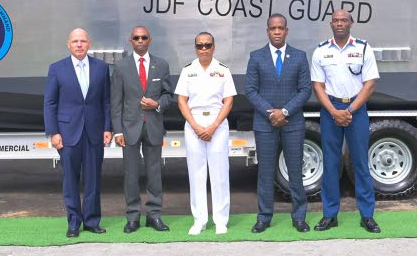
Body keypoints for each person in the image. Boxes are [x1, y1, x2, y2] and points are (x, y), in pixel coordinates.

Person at [310, 9, 381, 233]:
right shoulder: (321, 51)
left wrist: (348, 110)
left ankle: (367, 215)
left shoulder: (362, 48)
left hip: (356, 110)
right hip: (330, 110)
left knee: (360, 163)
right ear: (331, 24)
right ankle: (330, 215)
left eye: (344, 20)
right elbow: (318, 87)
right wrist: (334, 111)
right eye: (336, 21)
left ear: (351, 23)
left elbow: (369, 85)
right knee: (330, 164)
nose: (340, 23)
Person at [244, 14, 312, 233]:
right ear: (267, 31)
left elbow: (305, 90)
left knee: (295, 170)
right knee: (265, 172)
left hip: (292, 123)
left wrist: (284, 112)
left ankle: (299, 217)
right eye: (272, 28)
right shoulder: (256, 57)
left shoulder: (299, 57)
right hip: (265, 123)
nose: (276, 32)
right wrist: (270, 113)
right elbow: (251, 90)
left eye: (280, 28)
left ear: (286, 31)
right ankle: (264, 217)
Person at [43, 28, 112, 238]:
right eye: (75, 41)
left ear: (89, 43)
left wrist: (108, 128)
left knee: (93, 179)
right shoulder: (57, 68)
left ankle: (91, 221)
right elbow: (50, 102)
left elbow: (106, 102)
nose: (79, 45)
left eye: (83, 41)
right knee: (70, 180)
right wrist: (53, 132)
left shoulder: (101, 67)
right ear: (69, 44)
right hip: (67, 133)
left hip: (94, 132)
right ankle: (74, 222)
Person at [111, 25, 174, 233]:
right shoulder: (121, 67)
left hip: (153, 125)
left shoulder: (161, 65)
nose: (140, 40)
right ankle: (133, 216)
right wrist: (118, 131)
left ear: (149, 40)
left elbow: (168, 95)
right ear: (130, 41)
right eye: (136, 38)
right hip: (129, 128)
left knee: (154, 173)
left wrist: (156, 105)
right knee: (131, 174)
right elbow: (116, 103)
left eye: (143, 37)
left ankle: (154, 215)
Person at [174, 31, 235, 235]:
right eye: (200, 45)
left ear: (213, 47)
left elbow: (228, 101)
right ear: (195, 48)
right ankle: (199, 220)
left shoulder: (223, 70)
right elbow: (182, 100)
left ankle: (220, 220)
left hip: (217, 123)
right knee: (196, 174)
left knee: (219, 174)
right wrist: (196, 126)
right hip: (194, 123)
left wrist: (213, 126)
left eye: (207, 45)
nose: (203, 49)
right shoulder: (188, 70)